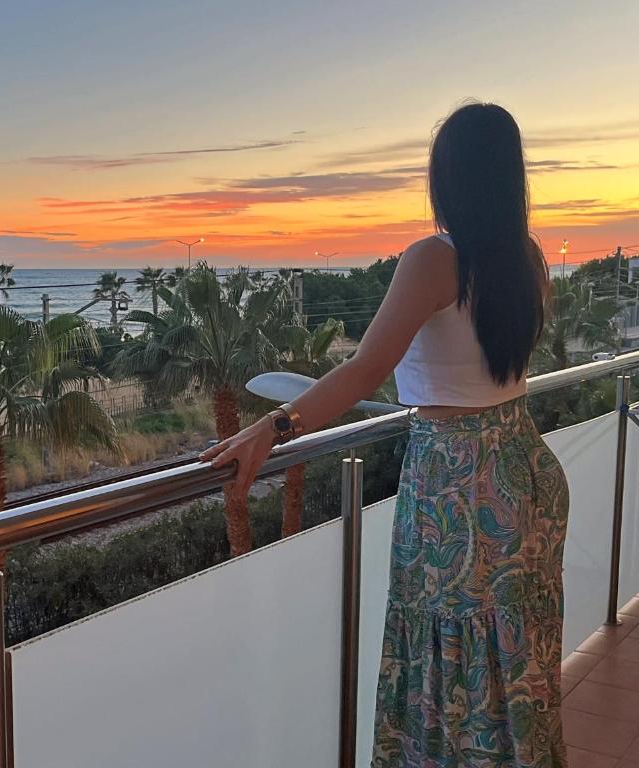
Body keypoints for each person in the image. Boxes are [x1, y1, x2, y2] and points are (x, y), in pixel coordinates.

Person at [200, 101, 568, 767]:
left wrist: (276, 425)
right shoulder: (530, 257)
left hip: (457, 483)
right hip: (523, 471)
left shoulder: (434, 259)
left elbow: (367, 364)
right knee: (514, 655)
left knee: (449, 664)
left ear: (446, 178)